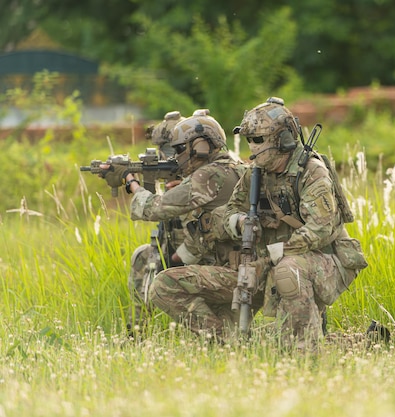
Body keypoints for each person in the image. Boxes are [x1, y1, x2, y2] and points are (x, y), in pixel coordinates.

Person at [222, 97, 368, 350]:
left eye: (258, 139)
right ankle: (351, 343)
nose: (252, 147)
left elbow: (320, 228)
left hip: (325, 256)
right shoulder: (254, 173)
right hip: (277, 258)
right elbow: (230, 210)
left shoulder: (311, 171)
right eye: (249, 140)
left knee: (288, 271)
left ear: (282, 140)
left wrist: (273, 255)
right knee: (278, 333)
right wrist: (240, 221)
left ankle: (304, 355)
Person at [103, 112, 246, 337]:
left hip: (234, 274)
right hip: (243, 268)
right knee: (231, 330)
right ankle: (229, 339)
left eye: (180, 150)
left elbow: (153, 208)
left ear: (200, 146)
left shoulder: (209, 175)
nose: (176, 156)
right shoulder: (234, 167)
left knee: (163, 285)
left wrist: (130, 181)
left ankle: (223, 340)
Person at [127, 110, 187, 331]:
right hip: (174, 249)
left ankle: (200, 330)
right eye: (164, 150)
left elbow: (155, 208)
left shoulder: (204, 175)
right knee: (142, 256)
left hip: (203, 254)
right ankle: (137, 333)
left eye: (173, 149)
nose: (167, 156)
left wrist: (131, 184)